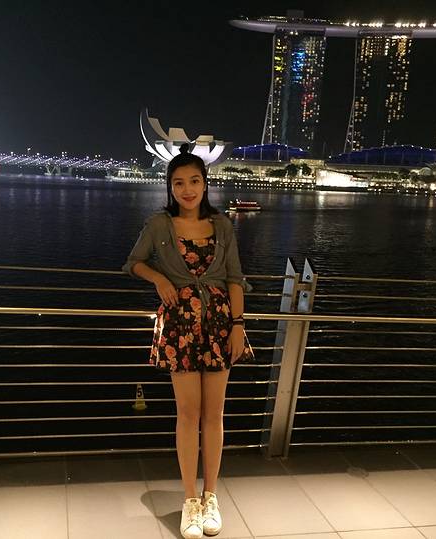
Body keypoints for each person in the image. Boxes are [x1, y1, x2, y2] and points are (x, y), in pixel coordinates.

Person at [123, 144, 253, 539]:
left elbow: (235, 278)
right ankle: (190, 500)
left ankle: (211, 496)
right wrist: (160, 278)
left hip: (219, 325)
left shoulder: (223, 225)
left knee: (214, 414)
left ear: (205, 184)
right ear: (170, 187)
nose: (187, 189)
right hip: (179, 326)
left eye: (194, 181)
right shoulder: (159, 225)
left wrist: (238, 325)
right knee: (187, 413)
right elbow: (134, 262)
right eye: (179, 183)